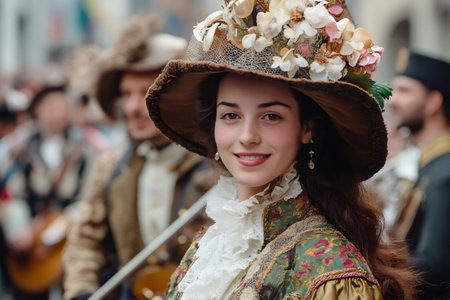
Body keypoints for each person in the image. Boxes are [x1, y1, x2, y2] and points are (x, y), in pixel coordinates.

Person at [145, 0, 418, 299]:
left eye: (271, 116)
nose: (247, 136)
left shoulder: (332, 272)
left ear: (306, 128)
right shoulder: (209, 246)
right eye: (231, 116)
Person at [62, 14, 214, 300]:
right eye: (125, 93)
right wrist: (81, 291)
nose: (132, 107)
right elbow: (84, 242)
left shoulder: (218, 165)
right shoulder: (111, 166)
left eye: (146, 92)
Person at [0, 84, 91, 300]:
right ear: (38, 110)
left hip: (68, 239)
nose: (58, 113)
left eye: (63, 106)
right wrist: (19, 231)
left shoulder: (85, 149)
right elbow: (12, 195)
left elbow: (88, 199)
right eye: (51, 106)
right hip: (29, 244)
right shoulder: (21, 149)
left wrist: (52, 235)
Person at [389, 51, 450, 298]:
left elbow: (433, 266)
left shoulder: (445, 171)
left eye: (404, 91)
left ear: (433, 101)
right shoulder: (429, 162)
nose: (392, 99)